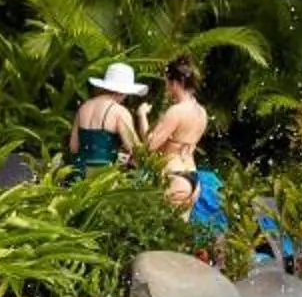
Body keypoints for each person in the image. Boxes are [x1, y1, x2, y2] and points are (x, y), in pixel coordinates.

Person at [147, 54, 209, 212]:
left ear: (176, 83)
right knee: (181, 233)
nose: (167, 88)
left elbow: (150, 147)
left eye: (167, 82)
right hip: (193, 176)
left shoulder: (176, 111)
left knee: (163, 231)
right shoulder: (202, 112)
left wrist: (142, 117)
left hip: (174, 174)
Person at [68, 60, 149, 172]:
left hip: (79, 173)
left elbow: (74, 147)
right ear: (124, 91)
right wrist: (142, 116)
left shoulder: (84, 107)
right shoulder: (119, 112)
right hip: (103, 177)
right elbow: (135, 150)